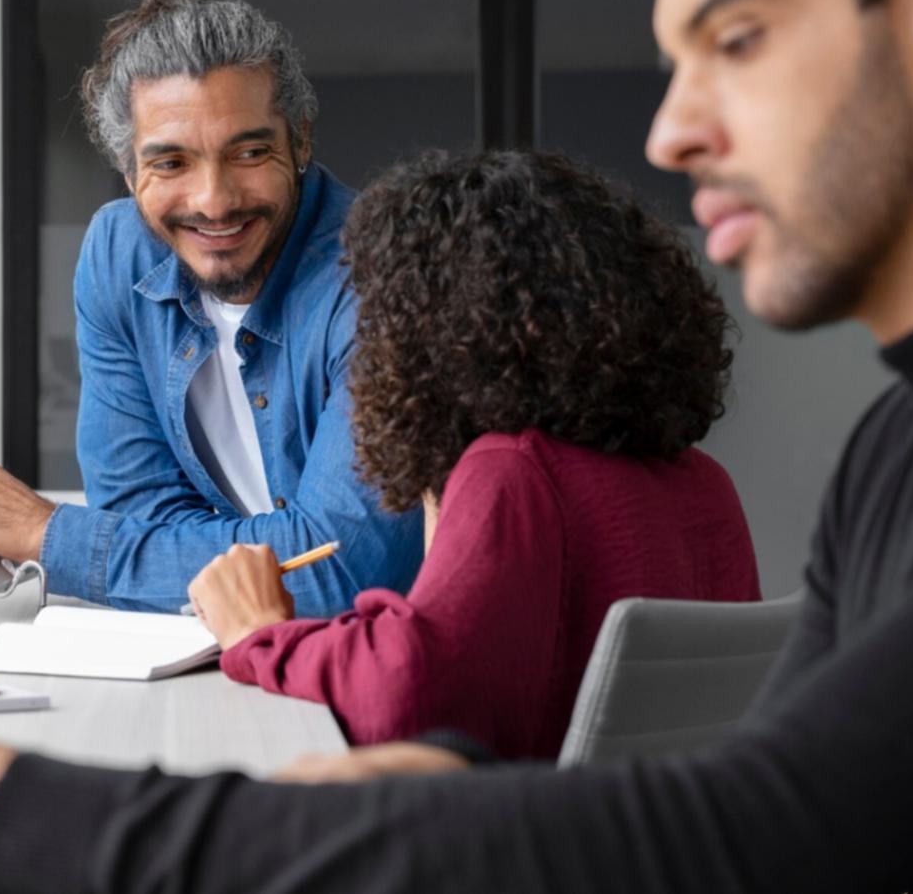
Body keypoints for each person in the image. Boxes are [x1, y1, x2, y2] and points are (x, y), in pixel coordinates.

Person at [0, 0, 913, 890]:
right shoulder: (908, 441)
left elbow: (753, 836)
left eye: (733, 38)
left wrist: (16, 823)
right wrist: (441, 780)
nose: (671, 131)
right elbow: (761, 802)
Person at [183, 149, 759, 760]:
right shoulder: (707, 486)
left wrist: (260, 634)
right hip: (664, 819)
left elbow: (407, 690)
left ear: (434, 332)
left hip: (535, 818)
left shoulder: (514, 471)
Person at [0, 0, 422, 615]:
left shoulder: (385, 279)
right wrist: (215, 563)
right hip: (239, 642)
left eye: (250, 152)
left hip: (394, 658)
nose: (214, 201)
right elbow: (137, 510)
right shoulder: (119, 255)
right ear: (128, 168)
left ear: (300, 139)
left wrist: (47, 536)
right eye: (171, 164)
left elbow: (338, 570)